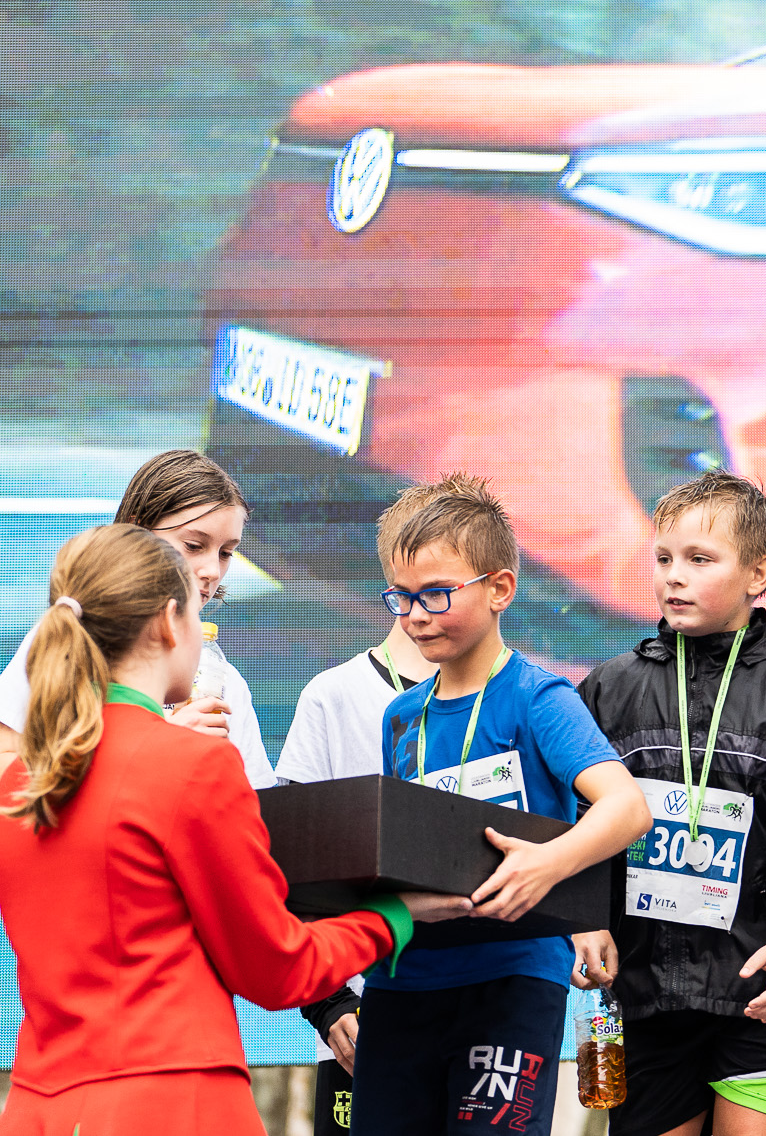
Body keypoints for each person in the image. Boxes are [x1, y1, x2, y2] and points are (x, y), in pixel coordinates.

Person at [0, 523, 472, 1136]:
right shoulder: (193, 766)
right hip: (173, 1107)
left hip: (38, 1109)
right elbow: (278, 968)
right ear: (170, 622)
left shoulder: (20, 783)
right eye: (198, 614)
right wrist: (395, 915)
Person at [354, 472, 652, 1135]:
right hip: (405, 978)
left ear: (500, 588)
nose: (416, 615)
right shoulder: (402, 715)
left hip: (514, 974)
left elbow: (627, 808)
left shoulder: (539, 699)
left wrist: (549, 867)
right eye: (400, 597)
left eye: (436, 593)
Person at [571, 470, 766, 1136]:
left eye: (700, 560)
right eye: (664, 558)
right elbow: (577, 823)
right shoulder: (609, 688)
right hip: (646, 987)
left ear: (760, 573)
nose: (674, 577)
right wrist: (585, 919)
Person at [0, 449, 272, 814]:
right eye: (193, 546)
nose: (212, 570)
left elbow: (259, 808)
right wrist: (156, 748)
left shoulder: (224, 682)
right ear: (136, 533)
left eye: (226, 553)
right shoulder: (69, 638)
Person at [275, 481, 442, 1136]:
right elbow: (289, 870)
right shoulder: (333, 695)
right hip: (364, 1019)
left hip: (485, 1013)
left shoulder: (519, 696)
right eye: (416, 585)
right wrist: (328, 1001)